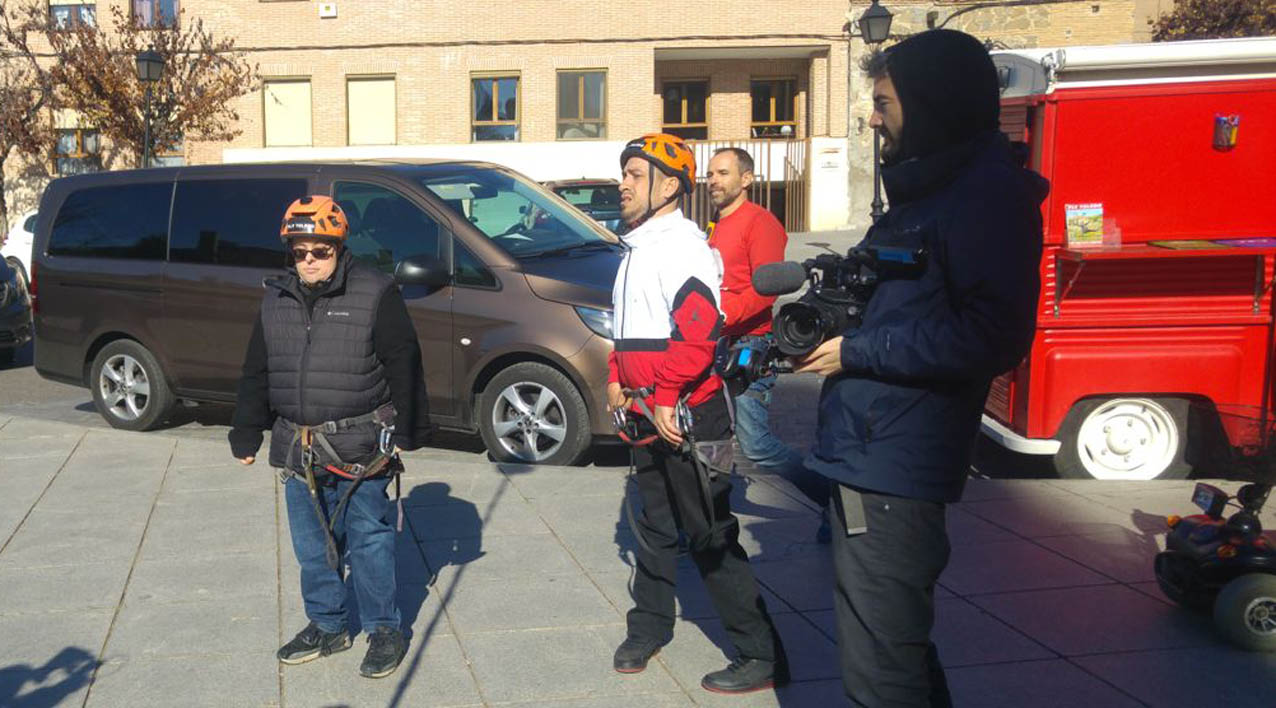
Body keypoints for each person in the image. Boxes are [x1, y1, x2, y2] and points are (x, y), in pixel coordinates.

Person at [794, 30, 1046, 707]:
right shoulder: (934, 189)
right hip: (876, 452)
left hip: (896, 463)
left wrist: (857, 349)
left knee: (881, 673)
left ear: (931, 103)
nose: (873, 118)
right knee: (895, 649)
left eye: (883, 102)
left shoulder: (983, 197)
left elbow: (992, 333)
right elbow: (908, 301)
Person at [608, 133, 788, 694]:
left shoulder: (682, 246)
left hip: (687, 414)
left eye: (635, 174)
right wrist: (617, 375)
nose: (623, 183)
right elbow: (630, 327)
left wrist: (662, 396)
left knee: (710, 536)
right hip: (648, 415)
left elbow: (696, 333)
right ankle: (650, 626)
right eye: (626, 173)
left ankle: (761, 655)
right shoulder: (637, 246)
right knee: (654, 529)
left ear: (668, 187)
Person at [228, 195, 431, 679]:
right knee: (312, 547)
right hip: (297, 446)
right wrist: (245, 432)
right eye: (300, 252)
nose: (309, 262)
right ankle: (328, 624)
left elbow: (405, 361)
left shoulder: (376, 292)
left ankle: (384, 629)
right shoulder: (275, 299)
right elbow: (257, 369)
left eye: (319, 251)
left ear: (339, 247)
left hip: (360, 445)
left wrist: (408, 429)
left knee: (370, 541)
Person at [705, 147, 830, 540]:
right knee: (712, 437)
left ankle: (835, 499)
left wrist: (720, 315)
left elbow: (764, 291)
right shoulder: (715, 224)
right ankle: (705, 522)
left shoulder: (760, 224)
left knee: (756, 445)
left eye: (723, 173)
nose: (713, 181)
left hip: (749, 346)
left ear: (746, 179)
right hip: (714, 343)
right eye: (710, 173)